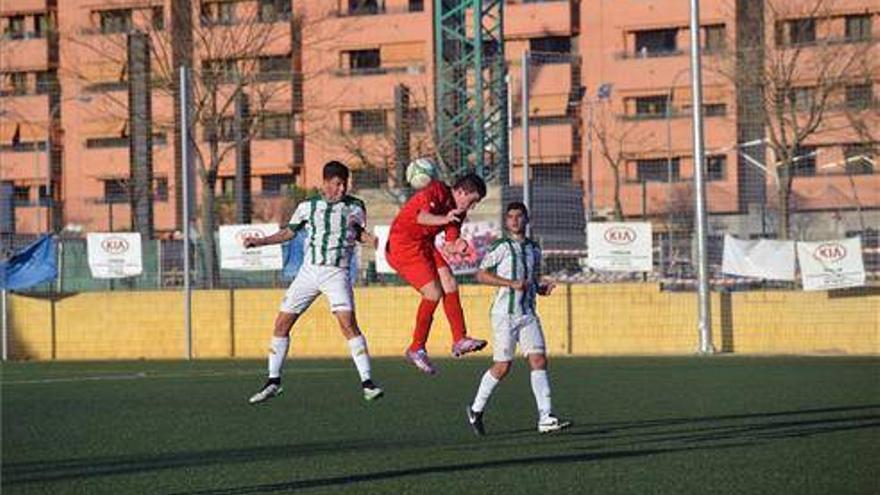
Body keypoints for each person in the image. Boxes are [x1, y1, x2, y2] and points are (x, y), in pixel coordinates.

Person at [246, 161, 383, 404]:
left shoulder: (355, 206)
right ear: (326, 183)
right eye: (337, 184)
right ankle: (273, 381)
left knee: (348, 323)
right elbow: (289, 232)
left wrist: (369, 238)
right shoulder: (307, 207)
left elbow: (356, 231)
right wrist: (260, 242)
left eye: (345, 184)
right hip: (308, 272)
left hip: (337, 272)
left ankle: (368, 383)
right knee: (281, 324)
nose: (342, 189)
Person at [466, 202, 571, 435]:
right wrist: (510, 284)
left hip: (528, 314)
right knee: (503, 367)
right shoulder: (501, 247)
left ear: (526, 220)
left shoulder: (534, 248)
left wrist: (540, 289)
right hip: (505, 314)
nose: (514, 220)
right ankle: (476, 409)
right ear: (506, 221)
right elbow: (481, 275)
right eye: (510, 217)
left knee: (539, 361)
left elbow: (531, 279)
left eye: (519, 216)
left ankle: (546, 417)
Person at [386, 172, 489, 374]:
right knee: (433, 292)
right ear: (461, 192)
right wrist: (445, 218)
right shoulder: (435, 190)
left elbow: (450, 244)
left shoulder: (458, 212)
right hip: (402, 245)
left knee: (449, 282)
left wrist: (460, 246)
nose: (472, 206)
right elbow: (420, 217)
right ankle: (416, 348)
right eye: (472, 201)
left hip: (424, 245)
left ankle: (459, 339)